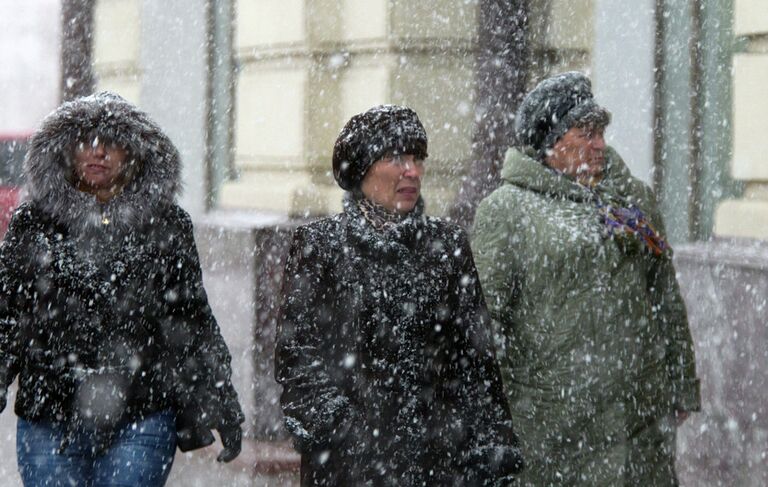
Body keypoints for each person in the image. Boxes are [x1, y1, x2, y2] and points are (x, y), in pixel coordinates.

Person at [0, 92, 244, 486]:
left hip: (141, 411)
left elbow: (189, 316)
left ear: (134, 154)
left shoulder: (166, 223)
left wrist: (218, 398)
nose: (98, 152)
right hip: (49, 412)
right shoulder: (34, 222)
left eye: (112, 142)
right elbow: (8, 311)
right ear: (65, 151)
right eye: (86, 141)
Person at [471, 72, 701, 486]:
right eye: (586, 133)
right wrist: (491, 418)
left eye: (600, 133)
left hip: (639, 420)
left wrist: (681, 384)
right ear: (549, 143)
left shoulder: (632, 200)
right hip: (554, 426)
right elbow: (487, 323)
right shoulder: (506, 211)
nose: (599, 145)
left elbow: (665, 296)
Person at [275, 104, 523, 486]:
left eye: (417, 158)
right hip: (346, 469)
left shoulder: (448, 244)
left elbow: (475, 363)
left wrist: (490, 453)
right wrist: (349, 436)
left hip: (437, 466)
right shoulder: (320, 246)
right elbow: (298, 359)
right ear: (360, 170)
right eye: (395, 157)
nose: (412, 171)